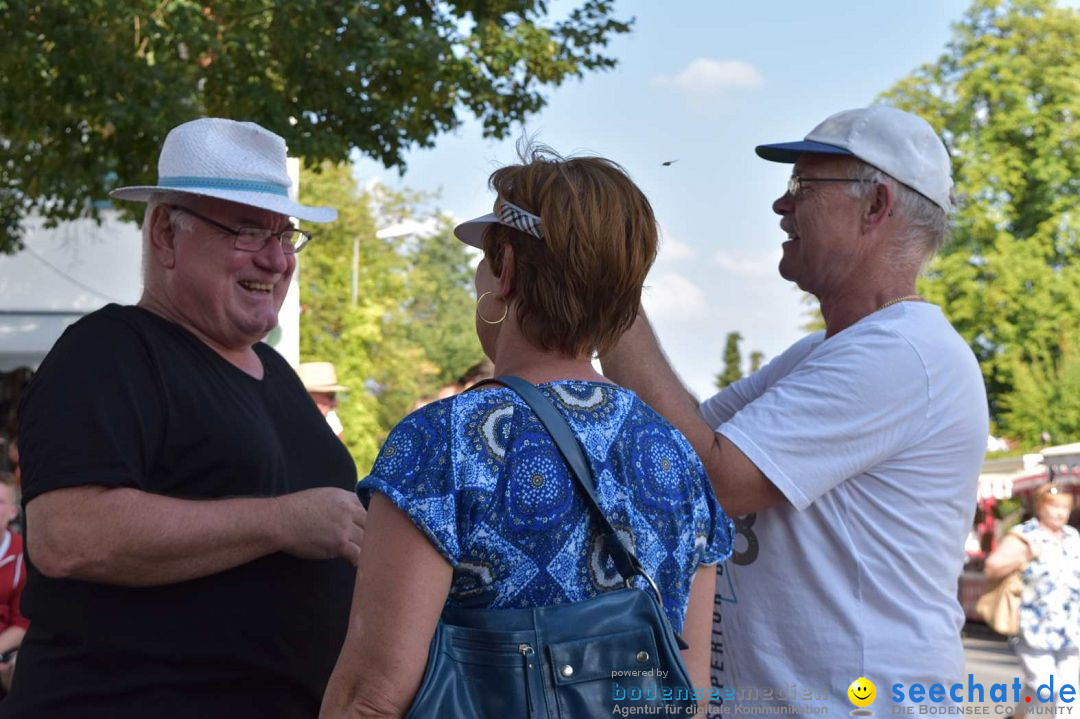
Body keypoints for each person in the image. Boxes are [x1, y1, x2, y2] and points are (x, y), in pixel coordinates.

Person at [600, 106, 989, 713]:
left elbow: (711, 479)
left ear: (876, 205)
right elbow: (672, 444)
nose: (782, 206)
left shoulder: (901, 353)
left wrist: (607, 285)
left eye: (803, 186)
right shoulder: (828, 352)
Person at [320, 147, 733, 718]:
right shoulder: (677, 457)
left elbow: (369, 698)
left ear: (507, 269)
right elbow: (692, 695)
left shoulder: (446, 444)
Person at [2, 118, 366, 719]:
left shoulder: (275, 372)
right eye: (249, 231)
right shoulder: (108, 350)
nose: (277, 259)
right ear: (167, 234)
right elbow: (68, 535)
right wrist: (281, 522)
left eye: (286, 235)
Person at [984, 483, 1080, 716]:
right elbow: (991, 568)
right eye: (1054, 507)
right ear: (1040, 506)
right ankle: (1018, 714)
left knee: (1069, 690)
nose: (1059, 513)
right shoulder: (1024, 535)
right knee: (1044, 687)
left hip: (1071, 625)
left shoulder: (1072, 536)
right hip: (1034, 623)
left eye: (1064, 508)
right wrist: (1025, 555)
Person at [0, 472, 27, 696]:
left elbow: (22, 623)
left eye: (0, 501)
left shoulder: (23, 555)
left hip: (7, 650)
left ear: (12, 512)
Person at [298, 361, 349, 440]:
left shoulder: (330, 418)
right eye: (330, 396)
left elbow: (339, 447)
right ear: (307, 396)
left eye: (333, 396)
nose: (334, 403)